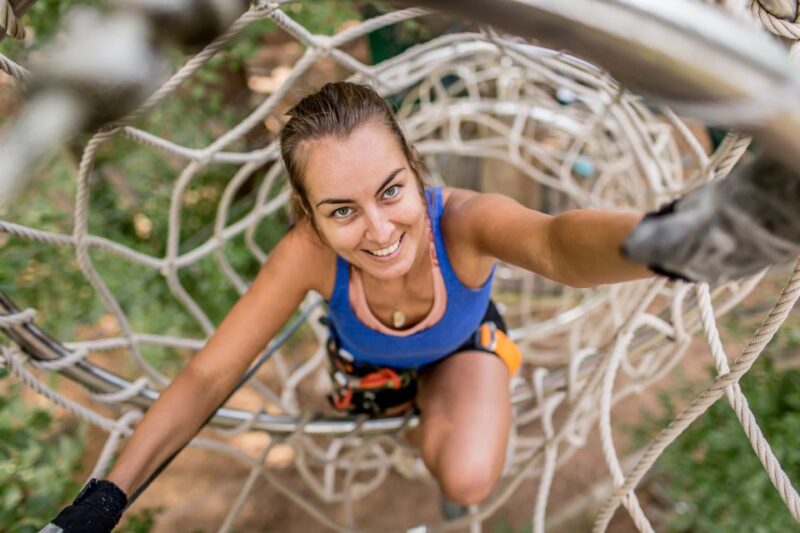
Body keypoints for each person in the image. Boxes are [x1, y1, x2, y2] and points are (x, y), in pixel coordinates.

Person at [45, 81, 659, 532]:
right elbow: (209, 373)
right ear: (308, 212)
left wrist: (663, 241)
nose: (379, 231)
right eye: (342, 210)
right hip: (366, 373)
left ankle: (438, 423)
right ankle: (413, 421)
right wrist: (105, 500)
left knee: (467, 477)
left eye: (391, 191)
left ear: (415, 171)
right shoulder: (306, 253)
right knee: (404, 428)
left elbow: (556, 246)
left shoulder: (465, 225)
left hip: (461, 348)